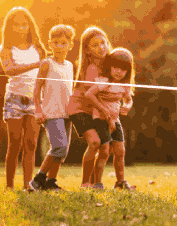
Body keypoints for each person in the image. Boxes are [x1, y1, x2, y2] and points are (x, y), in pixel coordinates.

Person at [0, 7, 47, 190]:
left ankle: (28, 185)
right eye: (17, 25)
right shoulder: (5, 49)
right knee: (15, 143)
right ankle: (10, 186)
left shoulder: (38, 48)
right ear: (9, 28)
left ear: (30, 26)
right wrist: (35, 64)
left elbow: (44, 74)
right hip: (15, 100)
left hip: (35, 100)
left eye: (24, 24)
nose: (21, 28)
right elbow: (8, 70)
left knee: (31, 143)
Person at [29, 25, 75, 191]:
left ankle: (51, 182)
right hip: (51, 113)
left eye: (63, 43)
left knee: (62, 152)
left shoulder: (69, 66)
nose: (59, 46)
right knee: (58, 147)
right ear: (50, 44)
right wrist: (38, 109)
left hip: (67, 114)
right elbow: (36, 89)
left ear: (70, 45)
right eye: (55, 43)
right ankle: (37, 179)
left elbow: (69, 90)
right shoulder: (46, 64)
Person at [66, 26, 112, 189]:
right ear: (87, 50)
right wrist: (104, 110)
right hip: (79, 108)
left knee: (104, 147)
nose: (101, 47)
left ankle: (95, 182)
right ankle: (85, 183)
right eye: (95, 45)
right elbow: (90, 96)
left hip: (95, 109)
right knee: (94, 142)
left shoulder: (109, 67)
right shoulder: (90, 68)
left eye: (103, 43)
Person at [84, 48, 135, 190]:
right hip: (100, 119)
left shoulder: (124, 86)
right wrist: (102, 109)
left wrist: (127, 106)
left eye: (123, 69)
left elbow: (129, 100)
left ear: (128, 71)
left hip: (115, 121)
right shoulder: (104, 82)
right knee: (105, 151)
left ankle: (120, 182)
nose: (119, 71)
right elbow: (89, 94)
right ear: (110, 67)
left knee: (120, 151)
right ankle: (97, 183)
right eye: (116, 67)